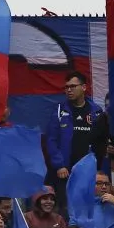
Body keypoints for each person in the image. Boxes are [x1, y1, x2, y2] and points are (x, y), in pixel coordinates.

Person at [45, 71, 105, 205]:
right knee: (66, 208)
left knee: (88, 207)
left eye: (72, 86)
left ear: (84, 87)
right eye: (66, 87)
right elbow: (51, 140)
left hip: (88, 172)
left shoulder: (96, 112)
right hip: (65, 171)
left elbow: (101, 142)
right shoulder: (60, 111)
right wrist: (59, 165)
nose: (69, 90)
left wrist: (97, 167)